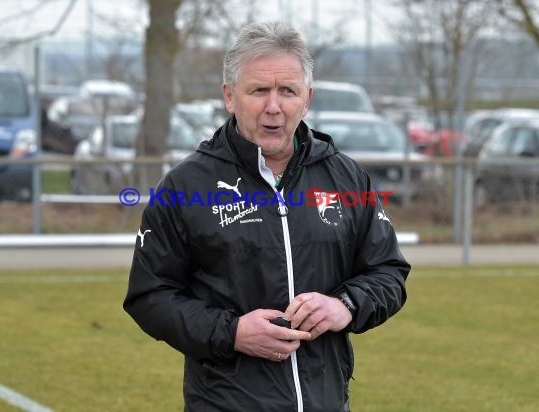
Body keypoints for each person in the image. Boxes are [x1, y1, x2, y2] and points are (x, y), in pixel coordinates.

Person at [123, 21, 410, 411]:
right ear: (229, 96)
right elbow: (149, 295)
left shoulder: (346, 177)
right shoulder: (184, 187)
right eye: (259, 90)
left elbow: (389, 271)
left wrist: (345, 305)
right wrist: (232, 332)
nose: (273, 107)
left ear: (306, 98)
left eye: (287, 91)